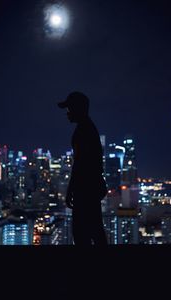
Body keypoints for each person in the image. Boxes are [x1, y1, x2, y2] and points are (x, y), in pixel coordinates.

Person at [58, 91, 108, 245]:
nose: (67, 113)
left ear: (78, 109)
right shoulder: (87, 127)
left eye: (69, 108)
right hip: (90, 188)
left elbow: (80, 164)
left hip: (86, 189)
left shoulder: (83, 130)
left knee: (82, 233)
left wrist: (70, 190)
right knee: (94, 229)